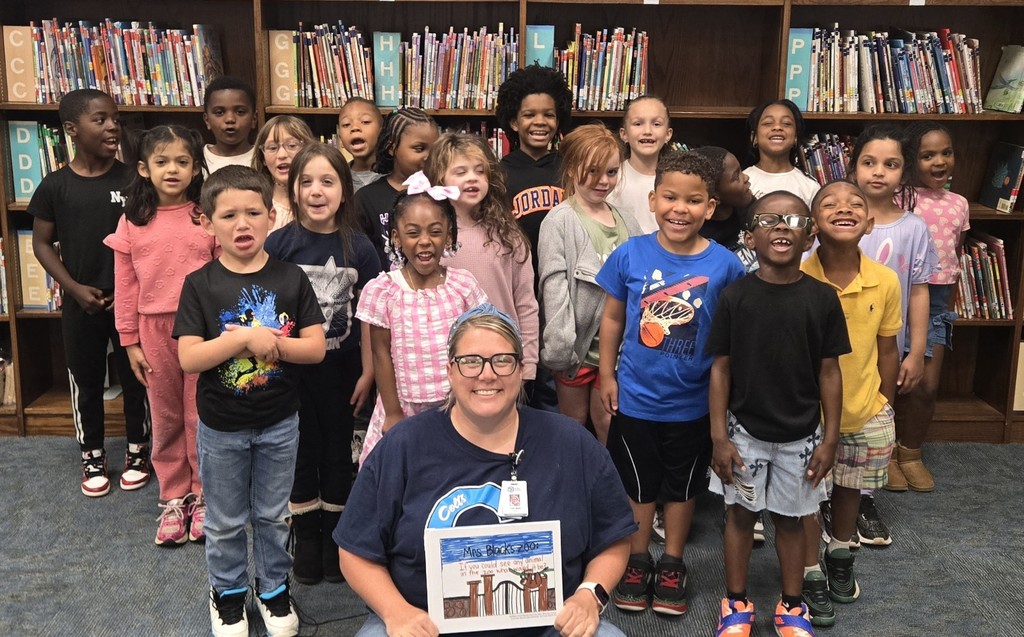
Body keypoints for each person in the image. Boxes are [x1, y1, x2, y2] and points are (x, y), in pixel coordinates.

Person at [334, 303, 637, 637]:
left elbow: (614, 537)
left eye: (502, 360)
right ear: (450, 370)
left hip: (549, 629)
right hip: (425, 626)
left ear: (522, 369)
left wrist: (589, 595)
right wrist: (396, 612)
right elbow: (354, 550)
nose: (487, 374)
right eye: (470, 361)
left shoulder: (572, 444)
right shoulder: (405, 445)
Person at [173, 165, 327, 637]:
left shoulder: (291, 277)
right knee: (223, 519)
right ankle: (229, 593)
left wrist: (271, 344)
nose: (242, 224)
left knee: (272, 513)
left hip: (280, 421)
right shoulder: (200, 283)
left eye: (253, 213)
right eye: (229, 215)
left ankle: (274, 588)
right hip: (221, 426)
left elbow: (316, 348)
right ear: (207, 222)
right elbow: (189, 358)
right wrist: (245, 341)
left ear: (272, 215)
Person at [596, 151, 745, 616]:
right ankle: (638, 560)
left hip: (694, 403)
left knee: (681, 487)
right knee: (638, 484)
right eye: (671, 198)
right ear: (653, 199)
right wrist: (605, 373)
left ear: (712, 207)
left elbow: (729, 339)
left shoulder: (726, 266)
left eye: (694, 200)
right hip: (637, 397)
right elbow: (614, 317)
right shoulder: (630, 253)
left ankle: (673, 562)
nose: (681, 209)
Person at [707, 192, 849, 637]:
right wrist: (718, 437)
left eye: (794, 219)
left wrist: (830, 439)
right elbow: (721, 369)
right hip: (743, 433)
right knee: (740, 516)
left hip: (801, 434)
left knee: (791, 519)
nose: (782, 226)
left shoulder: (824, 299)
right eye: (769, 219)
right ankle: (735, 601)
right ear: (750, 236)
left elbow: (830, 372)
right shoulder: (734, 297)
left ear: (810, 235)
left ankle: (792, 605)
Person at [264, 144, 380, 585]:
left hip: (344, 371)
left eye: (327, 181)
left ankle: (336, 540)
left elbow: (371, 315)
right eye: (306, 181)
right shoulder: (278, 244)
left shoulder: (361, 248)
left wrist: (369, 371)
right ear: (292, 190)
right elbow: (265, 309)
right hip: (292, 372)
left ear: (344, 191)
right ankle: (307, 538)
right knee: (299, 450)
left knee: (337, 451)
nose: (316, 191)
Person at [27, 88, 151, 498]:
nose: (113, 125)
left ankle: (138, 450)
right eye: (100, 120)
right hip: (82, 303)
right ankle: (93, 453)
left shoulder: (135, 179)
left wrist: (135, 289)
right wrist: (74, 288)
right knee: (86, 379)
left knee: (138, 378)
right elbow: (42, 243)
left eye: (115, 118)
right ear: (71, 130)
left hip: (131, 302)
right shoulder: (55, 186)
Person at [104, 125, 216, 545]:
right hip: (153, 330)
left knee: (200, 414)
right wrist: (129, 342)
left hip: (202, 332)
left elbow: (223, 274)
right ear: (144, 168)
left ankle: (204, 496)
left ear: (195, 167)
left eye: (183, 162)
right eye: (163, 161)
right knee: (166, 414)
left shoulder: (205, 214)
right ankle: (173, 496)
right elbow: (125, 284)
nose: (173, 169)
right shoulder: (133, 220)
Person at [799, 180, 901, 628]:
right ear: (812, 225)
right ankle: (809, 571)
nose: (844, 209)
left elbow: (888, 349)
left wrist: (886, 403)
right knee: (804, 496)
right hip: (805, 415)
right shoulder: (797, 276)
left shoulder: (886, 279)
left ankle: (840, 554)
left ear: (870, 221)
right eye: (830, 204)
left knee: (847, 491)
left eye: (855, 204)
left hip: (864, 409)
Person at [354, 174, 487, 463]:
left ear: (449, 235)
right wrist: (392, 412)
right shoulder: (383, 290)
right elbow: (380, 352)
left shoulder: (463, 286)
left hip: (455, 409)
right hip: (402, 407)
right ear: (396, 237)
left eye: (435, 232)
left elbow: (477, 346)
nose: (424, 242)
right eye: (413, 233)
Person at [846, 124, 937, 546]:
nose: (878, 172)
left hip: (884, 347)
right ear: (854, 165)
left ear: (905, 172)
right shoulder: (838, 217)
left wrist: (916, 351)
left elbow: (919, 291)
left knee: (875, 420)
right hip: (838, 346)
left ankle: (861, 498)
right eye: (869, 162)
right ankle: (826, 495)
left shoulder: (913, 228)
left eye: (891, 164)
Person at [538, 123, 641, 444]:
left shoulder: (627, 219)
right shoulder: (559, 221)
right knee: (573, 425)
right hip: (577, 351)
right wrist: (559, 348)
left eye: (611, 172)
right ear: (571, 168)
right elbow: (553, 286)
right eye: (593, 171)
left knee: (609, 422)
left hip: (619, 352)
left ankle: (609, 490)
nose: (603, 181)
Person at [426, 132, 540, 388]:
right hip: (446, 364)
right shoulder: (429, 240)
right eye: (460, 171)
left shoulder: (509, 236)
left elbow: (525, 304)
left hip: (502, 359)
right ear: (439, 179)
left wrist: (529, 364)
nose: (472, 178)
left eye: (480, 171)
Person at [495, 63, 573, 412]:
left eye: (549, 114)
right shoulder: (499, 172)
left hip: (564, 289)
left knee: (558, 379)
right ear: (513, 121)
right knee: (522, 373)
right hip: (517, 289)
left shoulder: (571, 168)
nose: (540, 122)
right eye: (529, 114)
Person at [898, 121, 969, 493]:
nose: (939, 162)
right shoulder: (900, 196)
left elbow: (953, 256)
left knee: (926, 385)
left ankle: (910, 453)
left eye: (946, 153)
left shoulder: (959, 204)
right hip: (900, 295)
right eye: (928, 155)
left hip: (938, 301)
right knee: (892, 382)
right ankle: (887, 454)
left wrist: (950, 305)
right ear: (911, 161)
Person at [352, 107, 439, 270]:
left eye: (435, 150)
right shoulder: (366, 199)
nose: (429, 156)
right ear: (392, 148)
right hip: (384, 291)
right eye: (419, 148)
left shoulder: (440, 193)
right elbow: (358, 255)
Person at [607, 95, 673, 233]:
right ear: (624, 134)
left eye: (656, 124)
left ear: (668, 134)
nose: (647, 131)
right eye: (638, 124)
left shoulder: (676, 180)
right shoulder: (611, 178)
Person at [743, 99, 819, 208]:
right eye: (768, 123)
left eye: (787, 124)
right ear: (754, 137)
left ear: (796, 138)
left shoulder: (810, 187)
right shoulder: (744, 181)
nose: (777, 127)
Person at [694, 146, 757, 273]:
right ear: (715, 197)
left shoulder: (751, 208)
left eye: (741, 171)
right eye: (736, 177)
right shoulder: (702, 239)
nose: (746, 178)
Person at [252, 115, 316, 232]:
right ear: (263, 159)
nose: (282, 155)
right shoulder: (254, 203)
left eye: (292, 146)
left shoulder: (320, 200)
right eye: (272, 148)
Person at [201, 75, 257, 176]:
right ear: (207, 120)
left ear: (254, 118)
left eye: (240, 112)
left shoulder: (265, 159)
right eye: (219, 112)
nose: (230, 119)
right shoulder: (197, 161)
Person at [337, 97, 385, 191]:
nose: (355, 128)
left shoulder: (396, 176)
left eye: (365, 121)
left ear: (382, 132)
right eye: (346, 124)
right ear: (340, 139)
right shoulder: (337, 177)